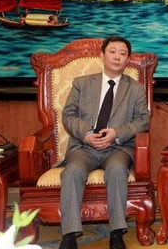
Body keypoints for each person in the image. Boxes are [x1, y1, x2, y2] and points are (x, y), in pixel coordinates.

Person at [59, 36, 150, 249]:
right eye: (112, 51)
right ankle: (69, 236)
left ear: (128, 59)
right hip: (84, 147)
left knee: (118, 169)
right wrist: (87, 134)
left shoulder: (135, 88)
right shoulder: (81, 83)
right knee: (72, 171)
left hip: (117, 147)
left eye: (123, 53)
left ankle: (116, 233)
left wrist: (116, 133)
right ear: (102, 55)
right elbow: (68, 115)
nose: (117, 57)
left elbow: (143, 120)